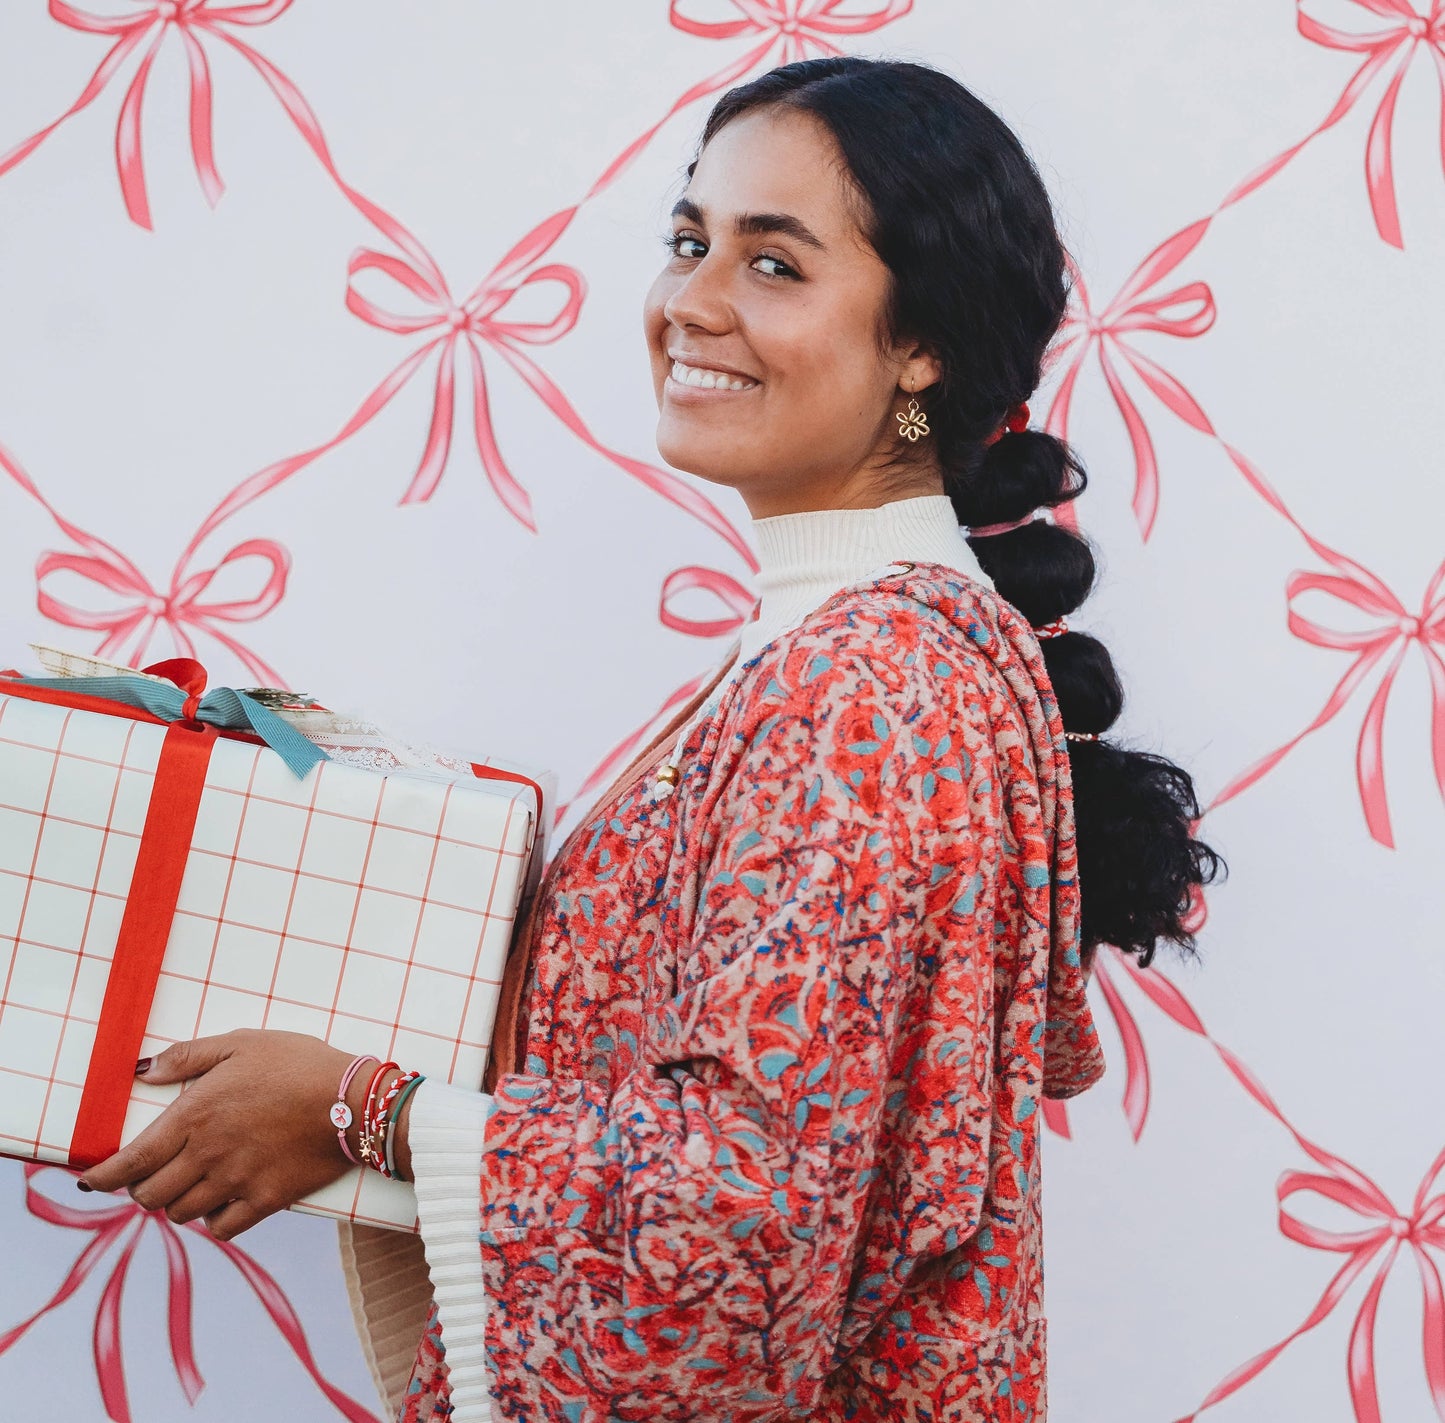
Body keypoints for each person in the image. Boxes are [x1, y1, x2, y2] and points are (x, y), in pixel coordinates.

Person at [79, 56, 1222, 1422]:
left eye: (774, 264)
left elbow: (740, 1220)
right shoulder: (849, 655)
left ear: (918, 343)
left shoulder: (866, 694)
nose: (688, 301)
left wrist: (358, 1110)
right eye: (689, 241)